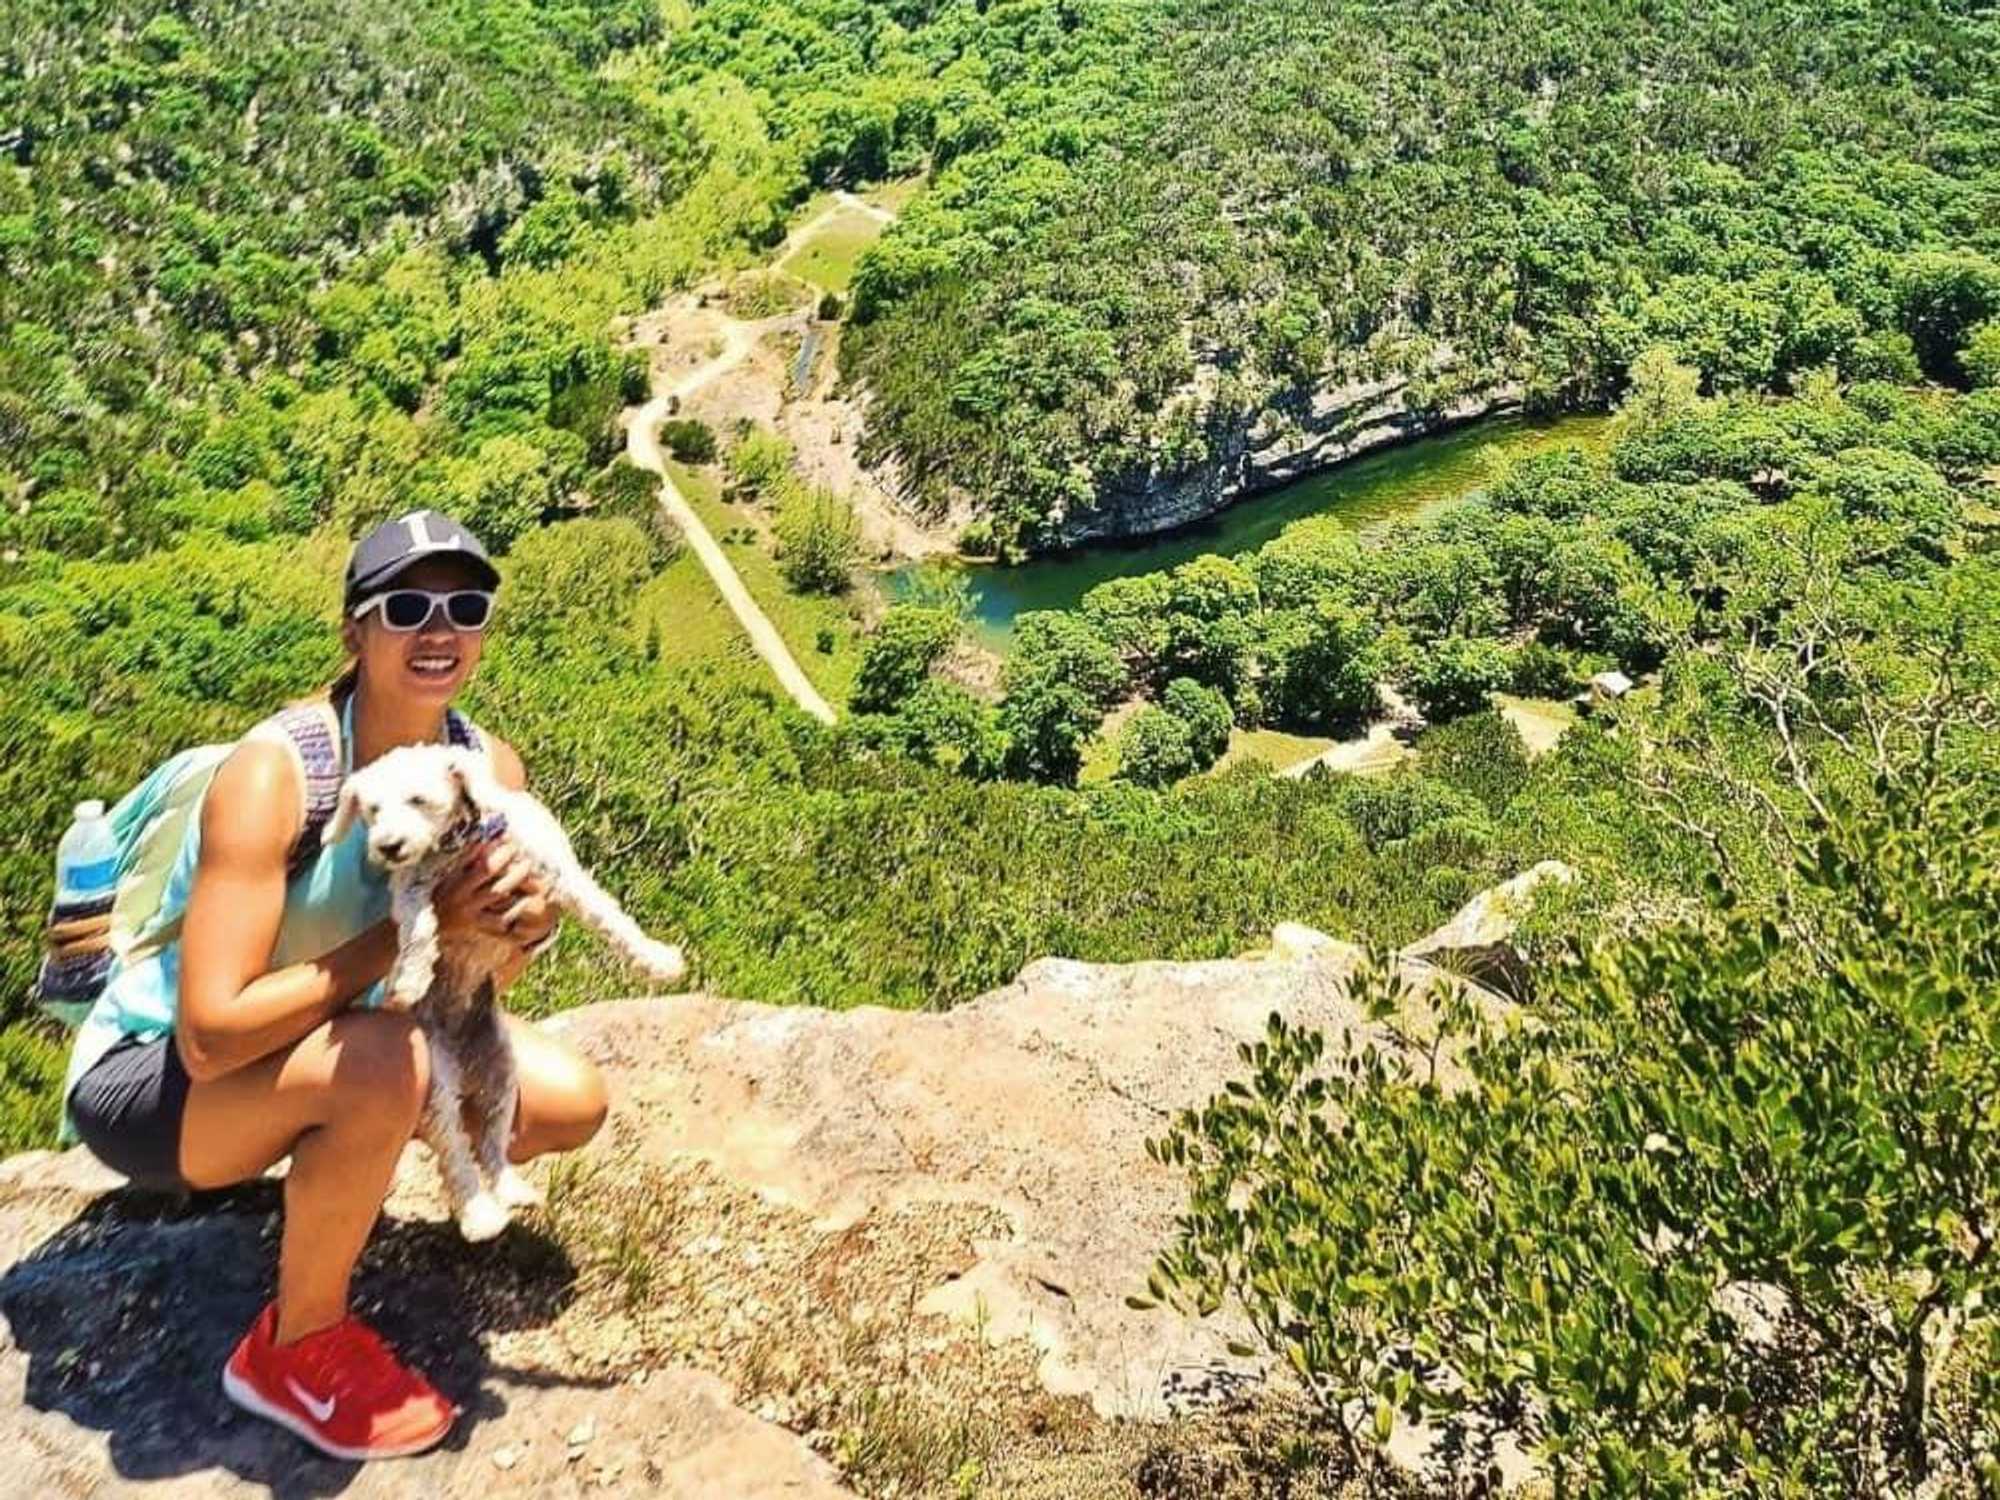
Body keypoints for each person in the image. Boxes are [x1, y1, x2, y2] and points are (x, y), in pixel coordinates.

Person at [60, 510, 610, 1461]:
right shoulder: (276, 776)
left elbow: (470, 978)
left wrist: (516, 926)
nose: (439, 631)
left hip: (322, 1049)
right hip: (153, 1082)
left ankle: (332, 1165)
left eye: (465, 608)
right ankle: (294, 1343)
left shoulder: (485, 770)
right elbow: (209, 1038)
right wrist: (401, 939)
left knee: (567, 1101)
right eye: (407, 608)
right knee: (386, 1062)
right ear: (356, 630)